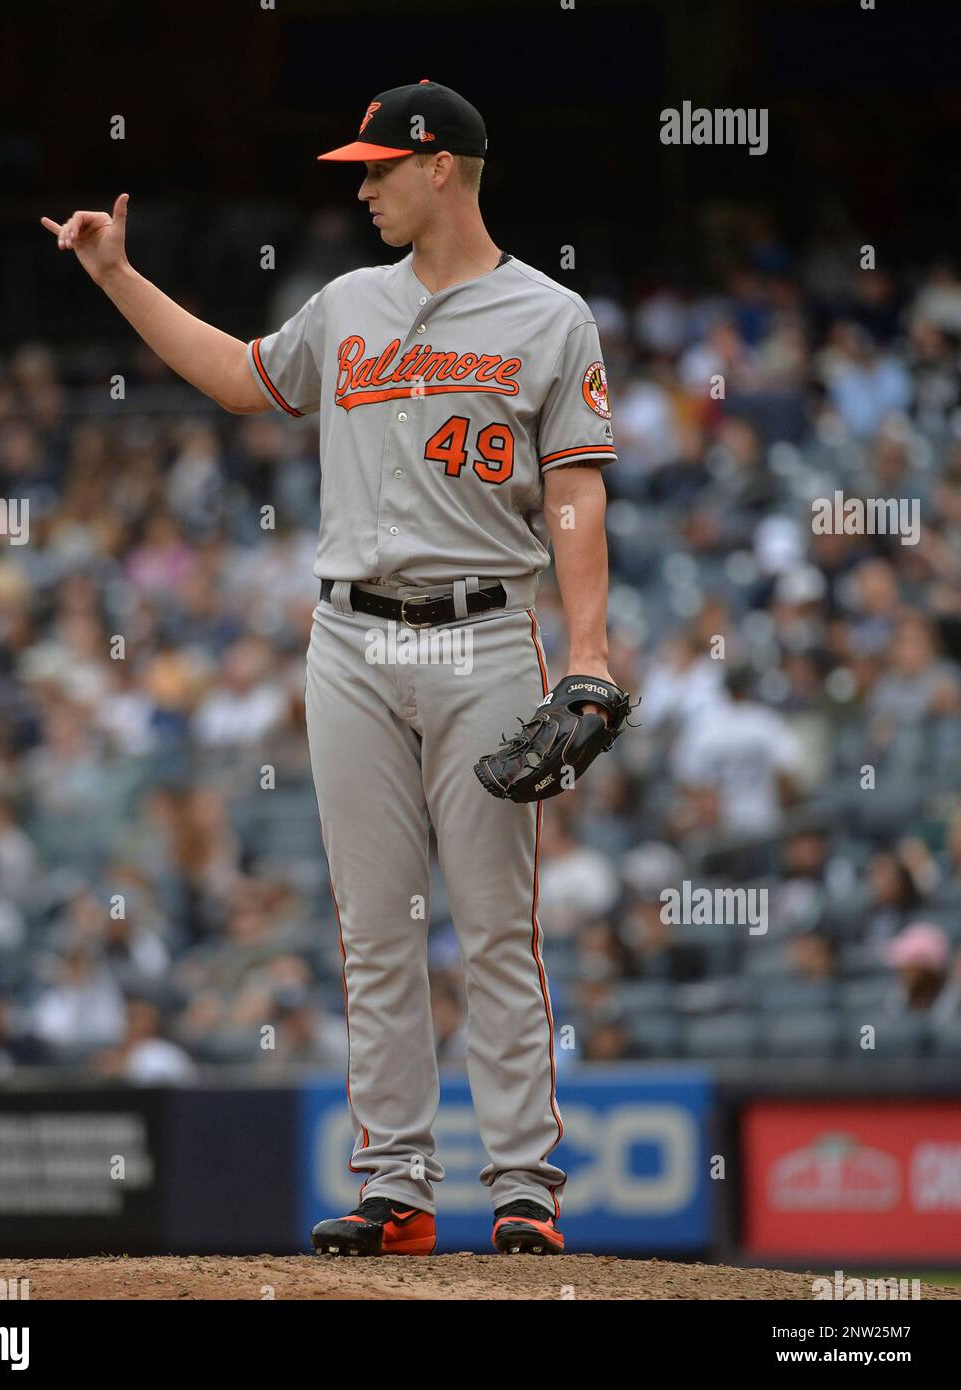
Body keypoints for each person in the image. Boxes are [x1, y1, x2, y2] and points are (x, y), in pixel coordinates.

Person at [42, 79, 622, 1257]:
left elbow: (575, 492)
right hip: (349, 637)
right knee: (373, 925)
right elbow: (237, 375)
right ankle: (399, 1186)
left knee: (495, 922)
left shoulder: (550, 316)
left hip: (480, 630)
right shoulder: (351, 303)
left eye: (377, 168)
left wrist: (591, 653)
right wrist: (114, 273)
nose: (360, 188)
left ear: (442, 166)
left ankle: (523, 1189)